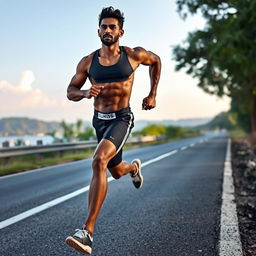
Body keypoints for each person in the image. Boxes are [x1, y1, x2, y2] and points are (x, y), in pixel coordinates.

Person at [65, 6, 161, 254]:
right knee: (116, 171)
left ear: (121, 31)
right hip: (100, 120)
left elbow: (156, 61)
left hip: (122, 118)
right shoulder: (88, 62)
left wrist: (152, 94)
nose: (107, 30)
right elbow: (70, 91)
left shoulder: (133, 55)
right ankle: (133, 168)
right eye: (104, 27)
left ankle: (87, 232)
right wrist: (85, 92)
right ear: (98, 31)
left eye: (112, 27)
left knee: (98, 160)